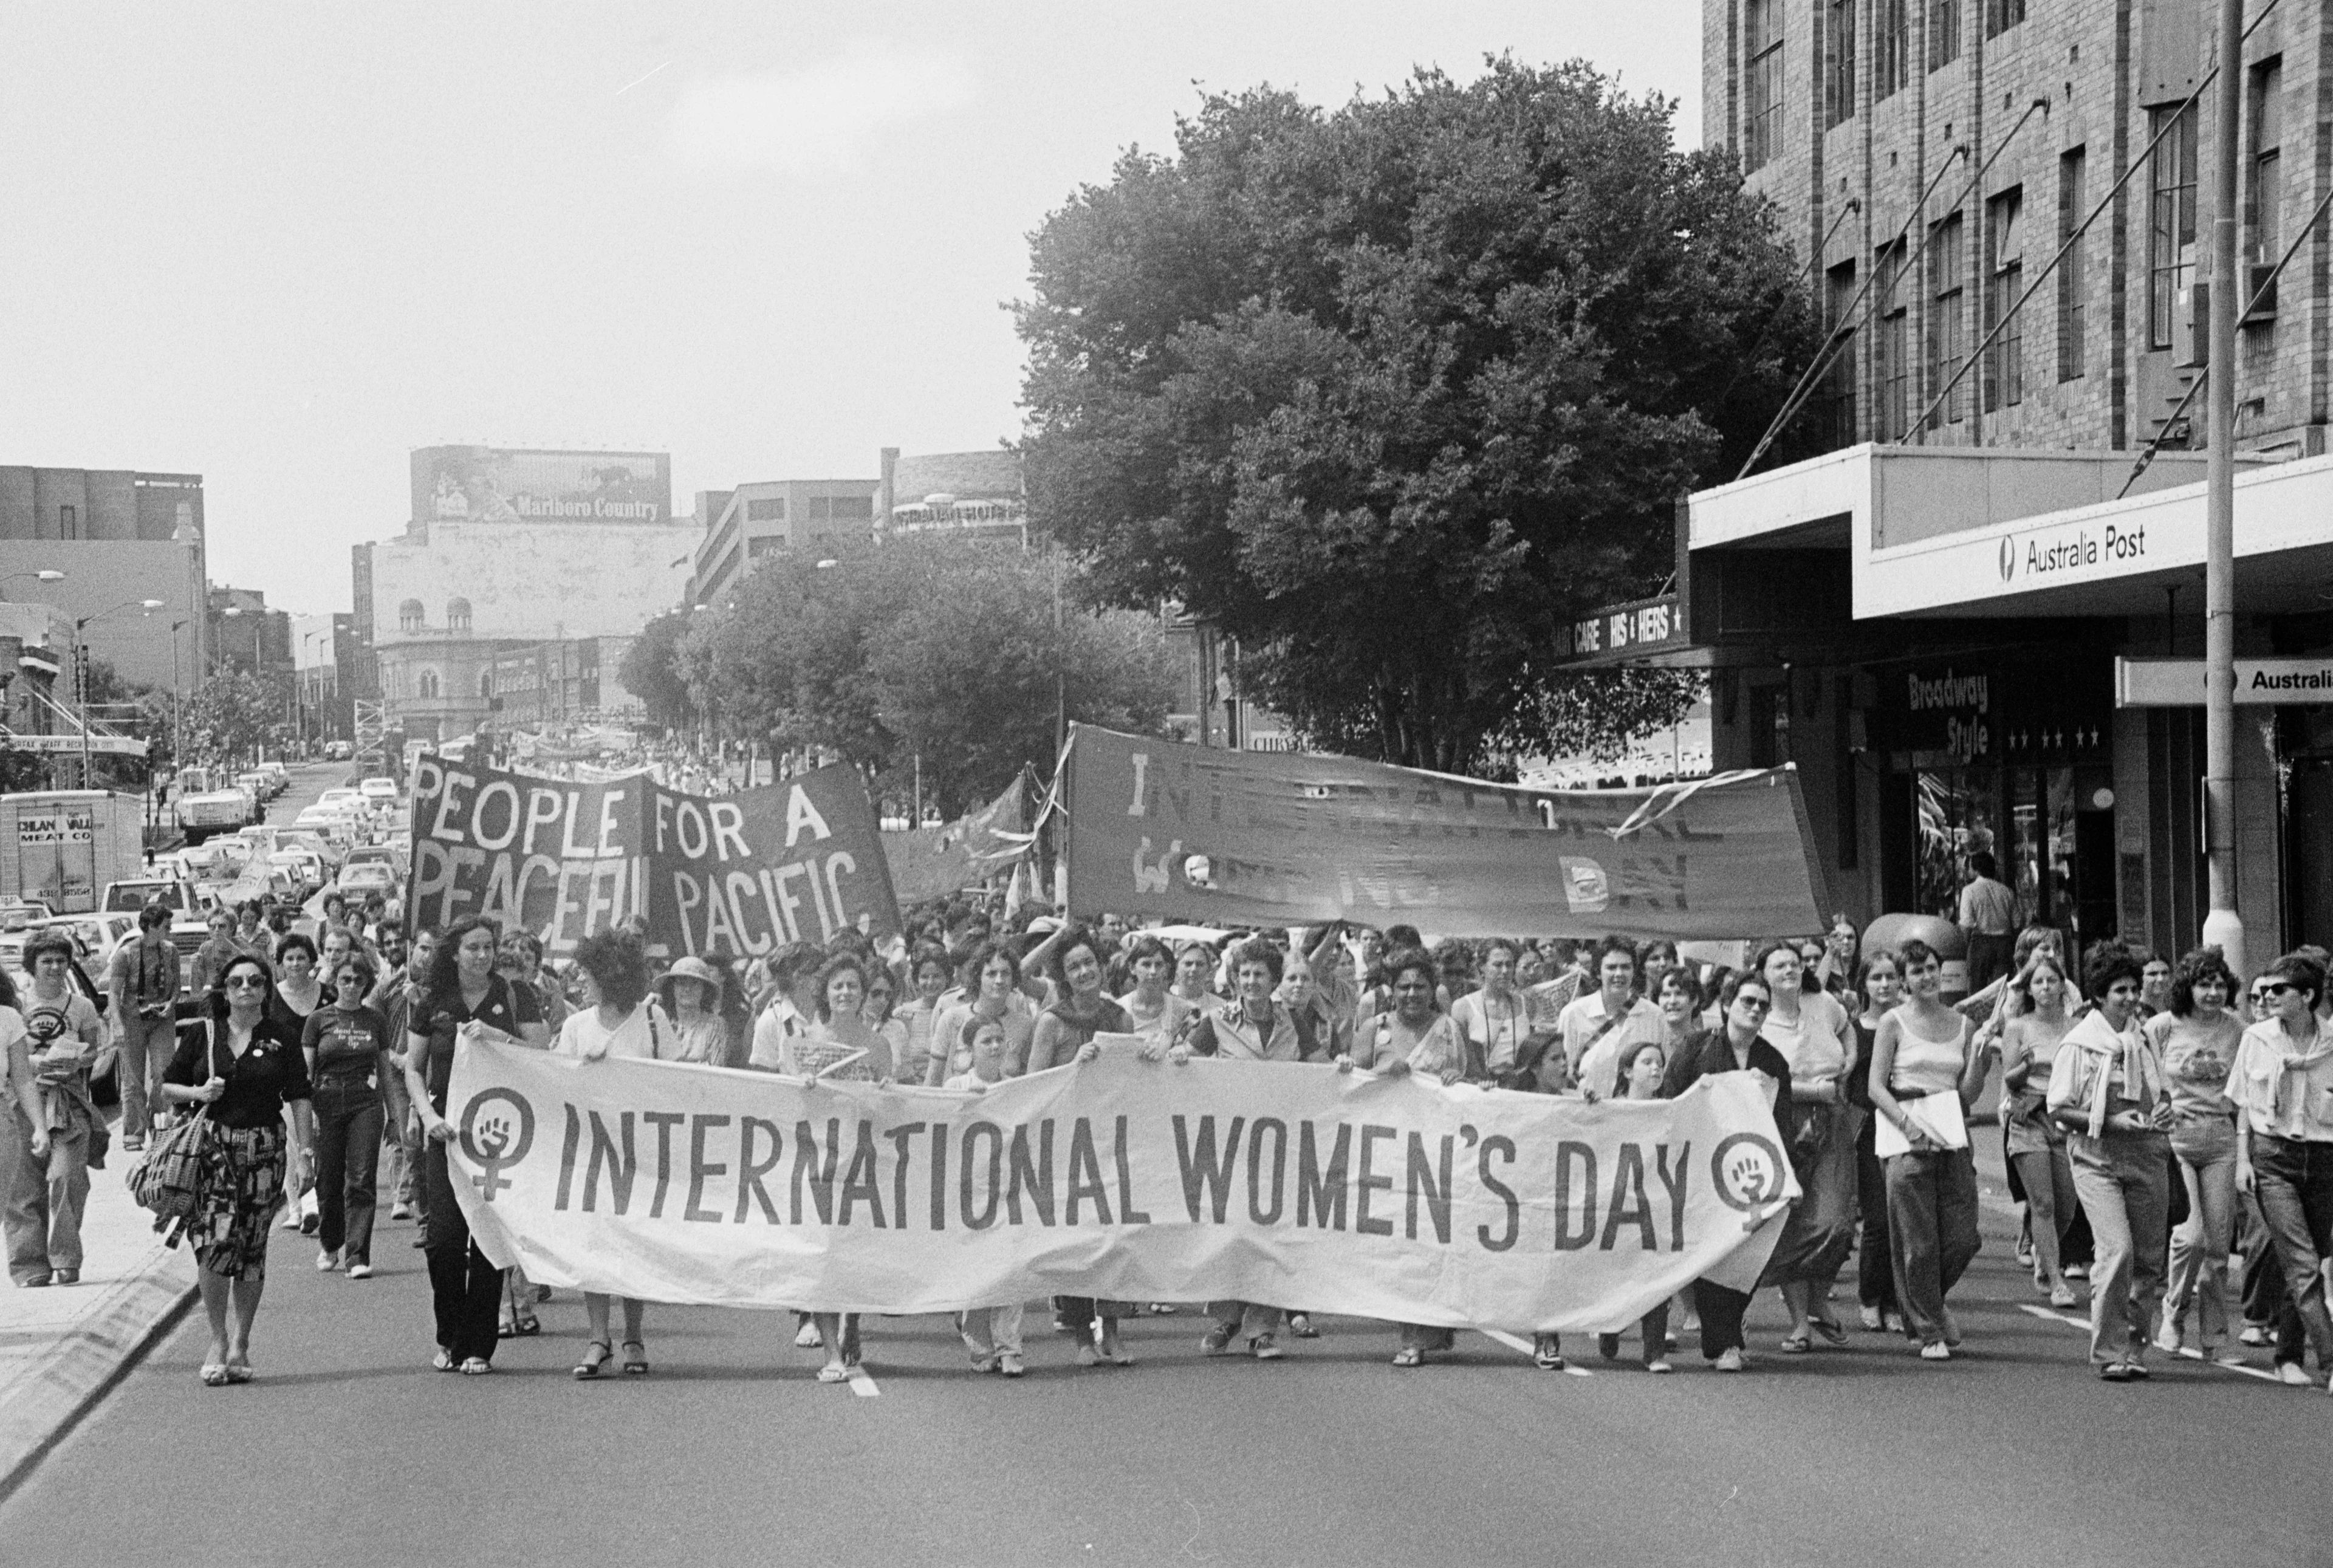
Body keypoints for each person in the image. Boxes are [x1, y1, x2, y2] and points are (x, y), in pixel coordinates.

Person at [161, 951, 316, 1385]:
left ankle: (241, 1341)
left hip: (264, 1148)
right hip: (213, 1148)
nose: (245, 988)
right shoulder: (202, 1034)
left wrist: (306, 1153)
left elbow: (299, 1095)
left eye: (254, 981)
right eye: (236, 982)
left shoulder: (281, 1036)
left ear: (266, 989)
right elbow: (165, 1086)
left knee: (250, 1246)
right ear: (224, 990)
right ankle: (216, 1336)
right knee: (212, 1241)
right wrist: (198, 1089)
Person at [405, 917, 546, 1375]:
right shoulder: (432, 1002)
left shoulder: (514, 995)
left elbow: (540, 1055)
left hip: (499, 1136)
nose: (482, 955)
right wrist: (427, 1116)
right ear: (455, 953)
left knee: (487, 1241)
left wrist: (497, 1036)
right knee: (444, 1241)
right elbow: (413, 1067)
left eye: (488, 947)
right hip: (447, 1134)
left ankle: (478, 1344)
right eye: (473, 948)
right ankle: (449, 1334)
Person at [1343, 947, 1472, 1368]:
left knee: (1431, 1246)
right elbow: (1347, 1086)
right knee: (1401, 1247)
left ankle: (1425, 1330)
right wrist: (1380, 1074)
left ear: (1432, 989)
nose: (1412, 993)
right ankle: (1409, 1332)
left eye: (1419, 985)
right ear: (1391, 990)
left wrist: (1457, 1079)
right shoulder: (1372, 1028)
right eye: (1403, 986)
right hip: (1386, 1153)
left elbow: (1469, 1085)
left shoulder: (1449, 1028)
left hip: (1437, 1153)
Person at [2048, 946, 2173, 1381]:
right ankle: (2109, 1350)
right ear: (2100, 995)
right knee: (2117, 1250)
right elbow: (2059, 1108)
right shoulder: (2080, 1044)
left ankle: (2136, 1348)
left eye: (2135, 989)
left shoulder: (2143, 1039)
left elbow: (2163, 1091)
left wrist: (2163, 1112)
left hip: (2148, 1153)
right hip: (2096, 1156)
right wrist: (2110, 1121)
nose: (2131, 997)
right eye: (2121, 989)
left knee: (2148, 1261)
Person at [1663, 970, 1795, 1372]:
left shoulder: (1772, 1061)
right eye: (1747, 1001)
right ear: (1726, 1004)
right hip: (1702, 1169)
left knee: (1747, 1254)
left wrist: (1787, 1177)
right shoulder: (1696, 1048)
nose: (1755, 1009)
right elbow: (1670, 1102)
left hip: (1749, 1174)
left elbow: (1783, 1124)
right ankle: (1723, 1344)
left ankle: (1729, 1330)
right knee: (1713, 1254)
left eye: (1762, 1004)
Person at [1868, 938, 1989, 1361]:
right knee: (1917, 1242)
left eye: (1932, 968)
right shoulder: (1893, 1023)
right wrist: (1908, 1126)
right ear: (1904, 981)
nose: (1927, 976)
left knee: (1963, 1237)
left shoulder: (1963, 1024)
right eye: (1916, 971)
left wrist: (1982, 1059)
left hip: (1952, 1132)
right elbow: (1875, 1086)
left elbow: (1967, 1093)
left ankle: (1931, 1302)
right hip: (1906, 1134)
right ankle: (1928, 1328)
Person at [1182, 939, 1303, 1361]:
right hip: (1230, 1147)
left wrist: (1342, 1068)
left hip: (1282, 1145)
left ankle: (1263, 1329)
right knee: (1231, 1232)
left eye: (1260, 974)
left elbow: (1324, 1068)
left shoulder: (1294, 1021)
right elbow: (1184, 1063)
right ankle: (1225, 1318)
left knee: (1272, 1236)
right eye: (1244, 974)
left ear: (1273, 981)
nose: (1251, 981)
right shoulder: (1216, 1021)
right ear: (1235, 979)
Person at [1026, 927, 1137, 1367]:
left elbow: (1129, 1079)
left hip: (1111, 1142)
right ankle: (1081, 1337)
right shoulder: (1052, 1022)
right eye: (1074, 966)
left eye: (1089, 962)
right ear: (1064, 976)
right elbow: (1034, 1085)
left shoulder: (1119, 1018)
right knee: (1074, 1240)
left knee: (1113, 1239)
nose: (1084, 970)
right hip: (1067, 1145)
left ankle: (1111, 1331)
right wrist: (1074, 1067)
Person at [554, 930, 659, 1378]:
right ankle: (599, 1337)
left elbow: (681, 1082)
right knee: (593, 1245)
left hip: (641, 1153)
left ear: (611, 977)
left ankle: (633, 1334)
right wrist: (583, 1069)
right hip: (591, 1155)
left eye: (587, 973)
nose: (580, 981)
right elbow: (551, 1083)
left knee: (634, 1243)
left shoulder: (652, 1020)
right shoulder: (576, 1027)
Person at [2227, 950, 2333, 1389]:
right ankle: (2330, 1361)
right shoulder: (2257, 1038)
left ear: (2307, 996)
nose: (2266, 995)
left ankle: (2288, 1354)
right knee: (2304, 1262)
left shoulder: (2331, 1042)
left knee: (2307, 1260)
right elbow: (2243, 1104)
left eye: (2278, 989)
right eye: (2264, 989)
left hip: (2324, 1156)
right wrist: (2243, 1160)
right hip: (2274, 1157)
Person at [1750, 940, 1861, 1352]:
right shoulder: (1758, 1017)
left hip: (1833, 1120)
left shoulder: (1823, 1001)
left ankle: (1819, 1300)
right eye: (1779, 965)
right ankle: (1800, 1321)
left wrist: (1849, 1058)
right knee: (1796, 1221)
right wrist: (1816, 1089)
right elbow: (1760, 1078)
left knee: (1837, 1221)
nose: (1790, 970)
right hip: (1785, 1122)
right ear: (1764, 973)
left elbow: (1847, 1027)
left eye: (1794, 963)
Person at [2148, 946, 2246, 1362]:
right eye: (2205, 984)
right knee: (2191, 1237)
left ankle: (2214, 1337)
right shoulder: (2161, 1027)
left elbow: (2246, 1088)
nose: (2213, 992)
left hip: (2221, 1138)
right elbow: (2144, 1075)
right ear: (2188, 987)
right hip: (2177, 1139)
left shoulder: (2238, 1029)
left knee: (2219, 1246)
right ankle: (2173, 1310)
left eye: (2220, 984)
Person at [7, 935, 103, 1288]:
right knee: (24, 1184)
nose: (55, 967)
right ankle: (29, 1265)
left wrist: (78, 1058)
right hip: (23, 1099)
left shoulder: (82, 1007)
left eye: (61, 961)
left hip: (68, 1099)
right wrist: (36, 1062)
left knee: (68, 1176)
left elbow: (94, 1051)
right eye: (47, 961)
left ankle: (64, 1255)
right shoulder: (15, 1008)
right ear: (32, 966)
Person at [300, 952, 391, 1279]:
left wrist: (394, 1116)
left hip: (365, 1101)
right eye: (345, 979)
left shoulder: (376, 1020)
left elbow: (385, 1070)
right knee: (328, 1178)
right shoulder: (318, 1020)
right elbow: (306, 1072)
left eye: (359, 980)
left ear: (367, 984)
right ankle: (330, 1242)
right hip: (326, 1099)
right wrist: (307, 1116)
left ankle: (357, 1254)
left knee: (362, 1178)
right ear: (335, 981)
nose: (352, 986)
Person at [1999, 951, 2082, 1309]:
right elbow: (2009, 1077)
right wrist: (2026, 1067)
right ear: (2029, 990)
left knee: (2066, 1207)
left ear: (2063, 986)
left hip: (2067, 1118)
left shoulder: (2077, 1027)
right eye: (2038, 982)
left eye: (2052, 980)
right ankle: (2057, 1279)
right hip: (2029, 1116)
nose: (2046, 987)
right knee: (2043, 1204)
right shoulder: (2018, 1027)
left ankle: (2042, 1250)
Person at [1595, 1038, 1675, 1372]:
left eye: (1659, 1062)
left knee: (1657, 1275)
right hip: (1616, 1206)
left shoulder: (1673, 1108)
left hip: (1655, 1204)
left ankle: (1654, 1352)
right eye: (1647, 1062)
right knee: (1617, 1273)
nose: (1656, 1068)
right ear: (1628, 1071)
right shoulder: (1610, 1108)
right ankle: (1610, 1325)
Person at [1847, 950, 1905, 1332]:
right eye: (1876, 978)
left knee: (1903, 1218)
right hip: (1868, 1128)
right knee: (1878, 1219)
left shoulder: (1908, 1023)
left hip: (1907, 1126)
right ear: (1864, 983)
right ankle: (1871, 1296)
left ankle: (1896, 1301)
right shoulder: (1852, 1027)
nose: (1884, 985)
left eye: (1890, 977)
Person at [104, 902, 181, 1154]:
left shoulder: (171, 952)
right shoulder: (125, 955)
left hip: (162, 1020)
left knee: (162, 1074)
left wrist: (171, 1004)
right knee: (133, 1078)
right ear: (149, 927)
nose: (170, 929)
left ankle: (160, 1126)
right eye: (166, 926)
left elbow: (177, 987)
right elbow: (114, 993)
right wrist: (118, 1026)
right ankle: (133, 1133)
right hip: (132, 1019)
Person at [269, 932, 327, 1236]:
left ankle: (316, 1202)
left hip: (325, 1079)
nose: (295, 963)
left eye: (301, 957)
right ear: (280, 964)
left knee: (316, 1141)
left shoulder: (327, 994)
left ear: (312, 961)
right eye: (289, 958)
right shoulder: (271, 997)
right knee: (293, 1144)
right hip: (286, 1082)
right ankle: (300, 1207)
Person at [1559, 936, 1666, 1101]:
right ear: (1598, 972)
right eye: (1611, 967)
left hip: (1636, 1116)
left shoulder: (1655, 1016)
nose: (1619, 974)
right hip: (1587, 1115)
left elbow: (1662, 1073)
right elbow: (1562, 1076)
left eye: (1625, 967)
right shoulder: (1573, 1014)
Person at [925, 943, 1039, 1086]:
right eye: (991, 974)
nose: (999, 981)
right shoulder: (951, 1019)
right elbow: (933, 1080)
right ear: (978, 977)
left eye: (1005, 974)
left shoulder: (1025, 1024)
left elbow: (1027, 1083)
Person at [1449, 938, 1530, 1086]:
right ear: (1482, 968)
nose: (1505, 971)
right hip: (1480, 1089)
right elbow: (1458, 1059)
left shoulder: (1525, 1004)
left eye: (1509, 965)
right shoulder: (1463, 1007)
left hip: (1520, 1089)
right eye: (1498, 965)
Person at [1117, 936, 1196, 1058]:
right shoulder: (1119, 1008)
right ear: (1132, 968)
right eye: (1146, 965)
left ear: (1167, 969)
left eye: (1159, 965)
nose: (1153, 972)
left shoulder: (1183, 1010)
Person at [891, 943, 955, 1085]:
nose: (930, 982)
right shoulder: (903, 1015)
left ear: (947, 978)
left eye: (937, 976)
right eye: (924, 977)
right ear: (916, 979)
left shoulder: (957, 1014)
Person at [653, 956, 734, 1066]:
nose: (687, 989)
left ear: (704, 989)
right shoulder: (659, 1023)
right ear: (672, 988)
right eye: (681, 983)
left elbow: (716, 1072)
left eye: (694, 983)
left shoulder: (716, 1026)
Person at [1957, 851, 2018, 995]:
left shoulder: (1969, 891)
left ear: (1977, 869)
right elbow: (2016, 924)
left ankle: (1977, 1018)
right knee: (2001, 993)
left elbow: (1966, 925)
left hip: (1980, 944)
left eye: (1970, 867)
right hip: (2004, 945)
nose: (1968, 870)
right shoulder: (2007, 891)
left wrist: (1962, 952)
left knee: (1977, 993)